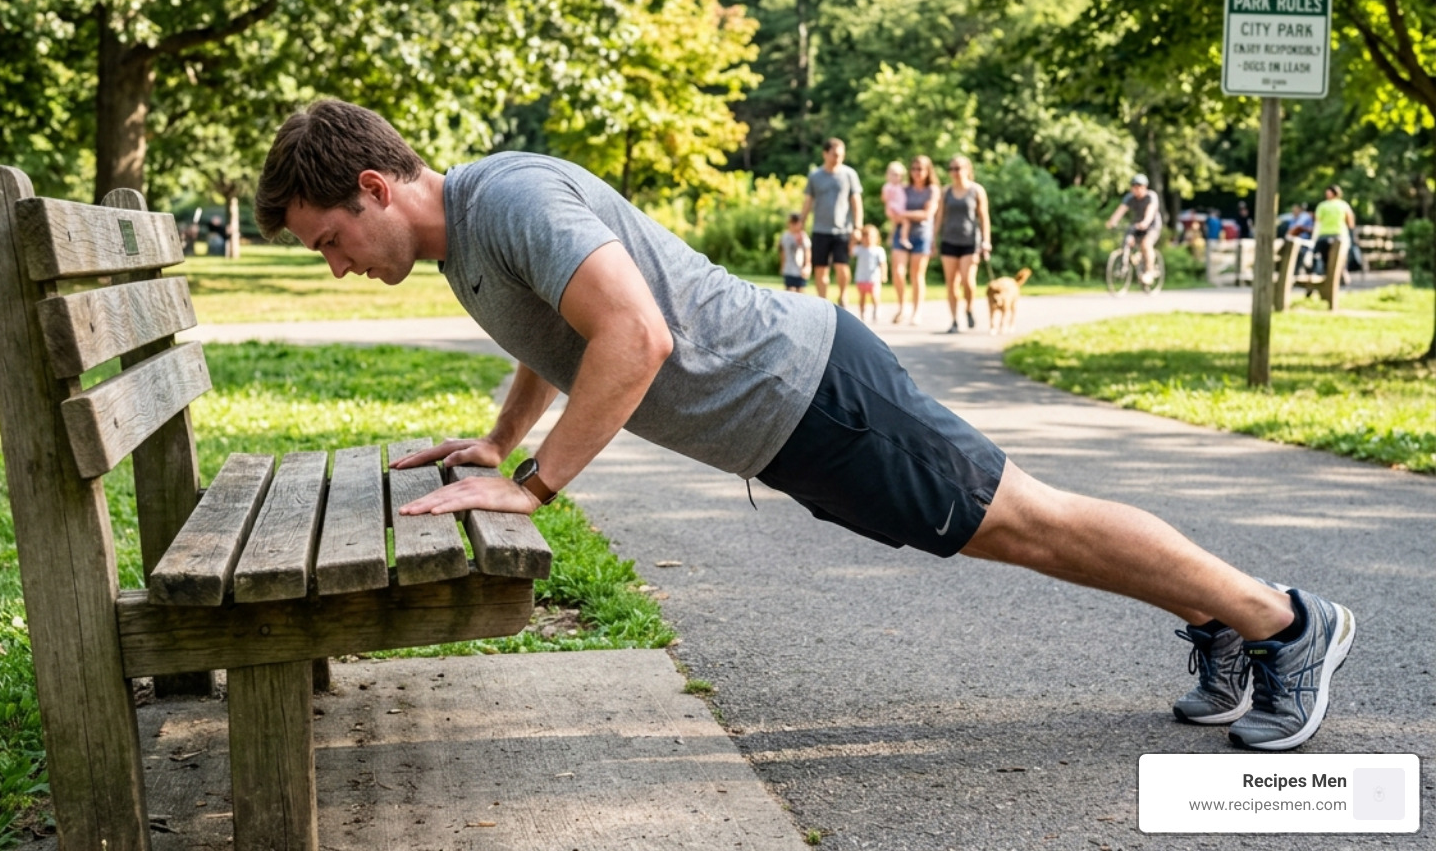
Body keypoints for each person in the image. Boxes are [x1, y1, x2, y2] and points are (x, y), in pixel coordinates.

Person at [253, 99, 1356, 753]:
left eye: (328, 240)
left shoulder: (511, 201)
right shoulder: (471, 241)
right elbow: (565, 339)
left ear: (373, 187)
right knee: (1021, 528)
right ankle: (1225, 619)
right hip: (791, 415)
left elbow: (634, 339)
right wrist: (500, 441)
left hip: (816, 392)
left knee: (1032, 522)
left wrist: (534, 487)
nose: (337, 263)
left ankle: (1283, 621)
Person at [800, 138, 864, 308]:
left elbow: (856, 202)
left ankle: (843, 296)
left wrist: (858, 227)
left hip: (843, 229)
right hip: (820, 229)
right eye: (835, 155)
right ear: (825, 154)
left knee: (842, 267)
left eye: (841, 155)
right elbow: (808, 201)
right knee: (820, 269)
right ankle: (824, 303)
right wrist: (801, 223)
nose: (838, 158)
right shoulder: (815, 176)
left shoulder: (849, 174)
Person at [933, 155, 990, 333]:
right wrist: (933, 240)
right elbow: (939, 217)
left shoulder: (976, 190)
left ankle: (969, 309)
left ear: (967, 169)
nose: (955, 172)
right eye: (952, 169)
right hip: (949, 240)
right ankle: (954, 320)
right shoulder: (945, 192)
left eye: (958, 168)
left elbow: (984, 218)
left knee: (968, 281)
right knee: (951, 283)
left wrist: (986, 241)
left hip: (970, 242)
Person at [892, 156, 940, 326]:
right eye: (914, 169)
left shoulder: (932, 190)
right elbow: (892, 210)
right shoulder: (903, 189)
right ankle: (902, 307)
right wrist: (902, 215)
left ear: (928, 171)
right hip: (901, 233)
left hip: (922, 235)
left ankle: (917, 311)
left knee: (917, 274)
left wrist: (904, 214)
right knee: (898, 272)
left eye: (920, 169)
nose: (917, 172)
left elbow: (927, 214)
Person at [1106, 174, 1162, 286]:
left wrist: (1146, 222)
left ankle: (1149, 272)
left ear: (1145, 187)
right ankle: (1125, 265)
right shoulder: (1130, 198)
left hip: (1152, 225)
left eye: (1139, 187)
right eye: (1134, 186)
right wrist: (1112, 222)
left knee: (1146, 244)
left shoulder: (1151, 196)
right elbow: (1121, 210)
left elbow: (1150, 211)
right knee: (1127, 240)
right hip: (1137, 224)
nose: (1136, 189)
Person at [1311, 185, 1356, 280]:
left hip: (1323, 235)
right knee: (1342, 255)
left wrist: (1314, 237)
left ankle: (1321, 274)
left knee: (1321, 257)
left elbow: (1317, 221)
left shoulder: (1322, 205)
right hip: (1340, 234)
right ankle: (1343, 272)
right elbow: (1351, 222)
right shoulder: (1344, 205)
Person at [851, 224, 888, 322]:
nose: (868, 239)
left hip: (874, 278)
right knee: (862, 297)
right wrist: (854, 239)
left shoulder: (879, 250)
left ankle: (876, 310)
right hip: (861, 277)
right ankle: (862, 313)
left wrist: (884, 274)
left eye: (871, 237)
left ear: (876, 238)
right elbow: (851, 252)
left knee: (875, 295)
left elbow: (883, 264)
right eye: (865, 236)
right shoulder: (860, 249)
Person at [779, 213, 812, 294]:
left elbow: (807, 251)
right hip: (789, 269)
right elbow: (783, 252)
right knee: (789, 292)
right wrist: (782, 266)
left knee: (800, 293)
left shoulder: (803, 236)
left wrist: (807, 265)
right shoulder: (785, 236)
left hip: (800, 271)